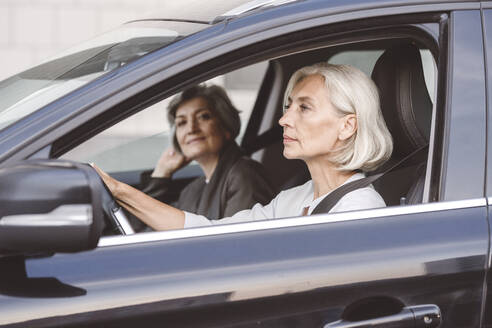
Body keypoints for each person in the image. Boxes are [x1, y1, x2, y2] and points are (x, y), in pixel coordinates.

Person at [94, 63, 393, 230]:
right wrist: (119, 191)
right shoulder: (292, 199)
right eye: (288, 106)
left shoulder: (359, 211)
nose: (284, 119)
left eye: (304, 108)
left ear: (347, 126)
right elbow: (211, 233)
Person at [140, 84, 276, 222]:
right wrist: (161, 173)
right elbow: (144, 229)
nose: (191, 129)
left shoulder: (245, 175)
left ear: (226, 126)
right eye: (182, 122)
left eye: (203, 117)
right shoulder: (191, 191)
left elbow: (238, 241)